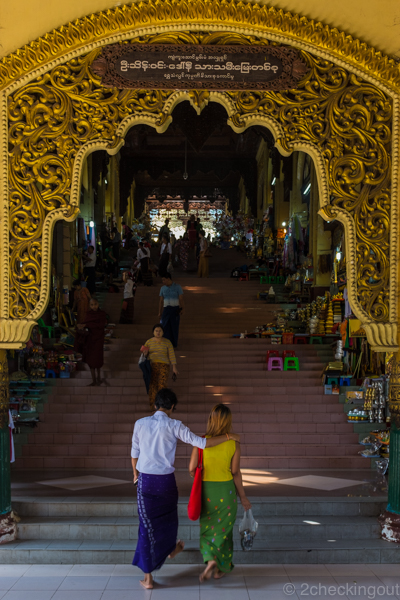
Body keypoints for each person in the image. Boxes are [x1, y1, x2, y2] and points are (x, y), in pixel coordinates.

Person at [131, 388, 241, 590]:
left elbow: (134, 451)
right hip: (166, 483)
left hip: (146, 481)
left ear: (155, 405)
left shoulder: (140, 424)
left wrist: (135, 474)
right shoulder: (175, 425)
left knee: (146, 528)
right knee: (169, 520)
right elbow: (202, 443)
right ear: (172, 407)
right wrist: (227, 437)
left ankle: (148, 579)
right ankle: (170, 549)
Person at [189, 403, 251, 583]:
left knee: (208, 529)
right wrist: (244, 497)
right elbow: (235, 472)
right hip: (227, 492)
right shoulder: (233, 443)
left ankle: (210, 560)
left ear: (211, 419)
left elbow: (192, 468)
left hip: (207, 492)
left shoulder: (201, 442)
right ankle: (220, 569)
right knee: (224, 531)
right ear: (228, 422)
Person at [142, 324, 178, 410]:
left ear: (163, 332)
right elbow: (144, 355)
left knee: (162, 385)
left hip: (164, 365)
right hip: (152, 365)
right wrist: (145, 354)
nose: (158, 333)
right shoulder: (149, 342)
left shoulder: (167, 342)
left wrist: (174, 367)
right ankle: (153, 406)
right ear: (153, 332)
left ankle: (162, 406)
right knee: (153, 386)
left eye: (160, 331)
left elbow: (171, 355)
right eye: (156, 331)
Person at [77, 297, 107, 386]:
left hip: (98, 339)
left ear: (98, 304)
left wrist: (87, 325)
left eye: (95, 304)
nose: (94, 306)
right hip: (90, 340)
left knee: (97, 359)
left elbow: (101, 325)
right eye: (92, 305)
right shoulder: (88, 314)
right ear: (89, 305)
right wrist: (81, 326)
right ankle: (94, 380)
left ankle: (98, 378)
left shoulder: (101, 314)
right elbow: (85, 324)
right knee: (91, 360)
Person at [158, 273, 184, 348]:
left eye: (164, 280)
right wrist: (160, 312)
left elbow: (181, 298)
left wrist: (182, 308)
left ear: (168, 279)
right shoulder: (162, 288)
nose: (163, 281)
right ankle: (165, 343)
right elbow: (161, 301)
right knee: (165, 326)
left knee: (174, 326)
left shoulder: (177, 287)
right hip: (166, 309)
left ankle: (173, 343)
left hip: (174, 309)